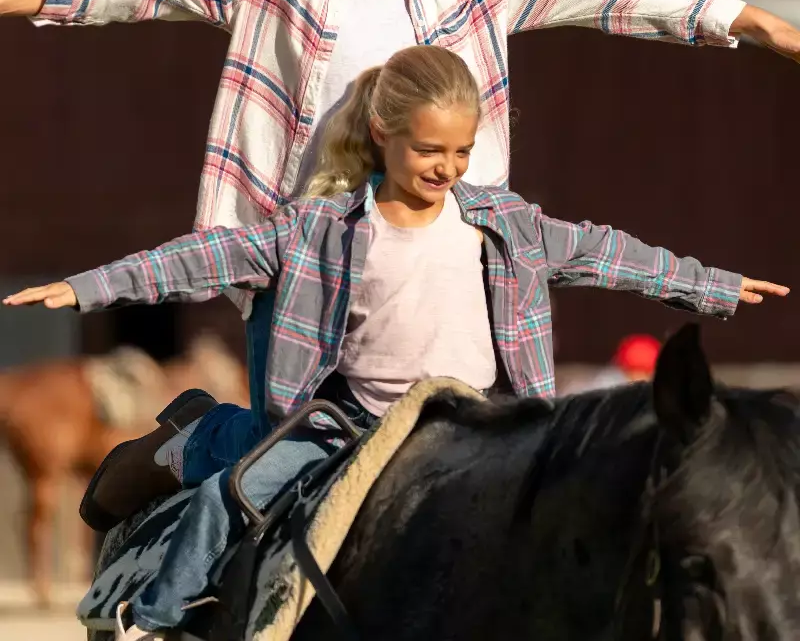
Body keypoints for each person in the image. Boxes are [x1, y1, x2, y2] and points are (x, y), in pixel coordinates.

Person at [5, 46, 790, 638]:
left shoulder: (504, 225)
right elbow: (198, 259)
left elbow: (606, 251)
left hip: (476, 422)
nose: (446, 168)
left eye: (460, 152)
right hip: (347, 427)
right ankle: (161, 604)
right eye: (428, 152)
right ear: (383, 134)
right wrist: (87, 287)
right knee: (235, 490)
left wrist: (709, 285)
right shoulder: (320, 230)